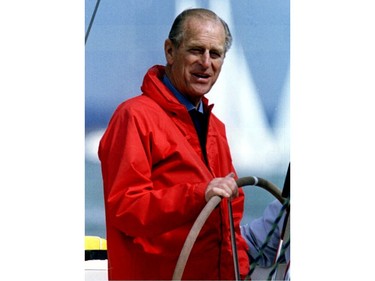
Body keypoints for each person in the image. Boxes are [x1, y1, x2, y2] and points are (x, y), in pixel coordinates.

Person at [98, 8, 250, 280]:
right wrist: (198, 194)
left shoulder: (216, 128)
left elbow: (231, 221)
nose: (205, 62)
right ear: (170, 51)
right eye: (196, 50)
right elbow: (126, 207)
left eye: (215, 54)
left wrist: (242, 273)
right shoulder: (134, 116)